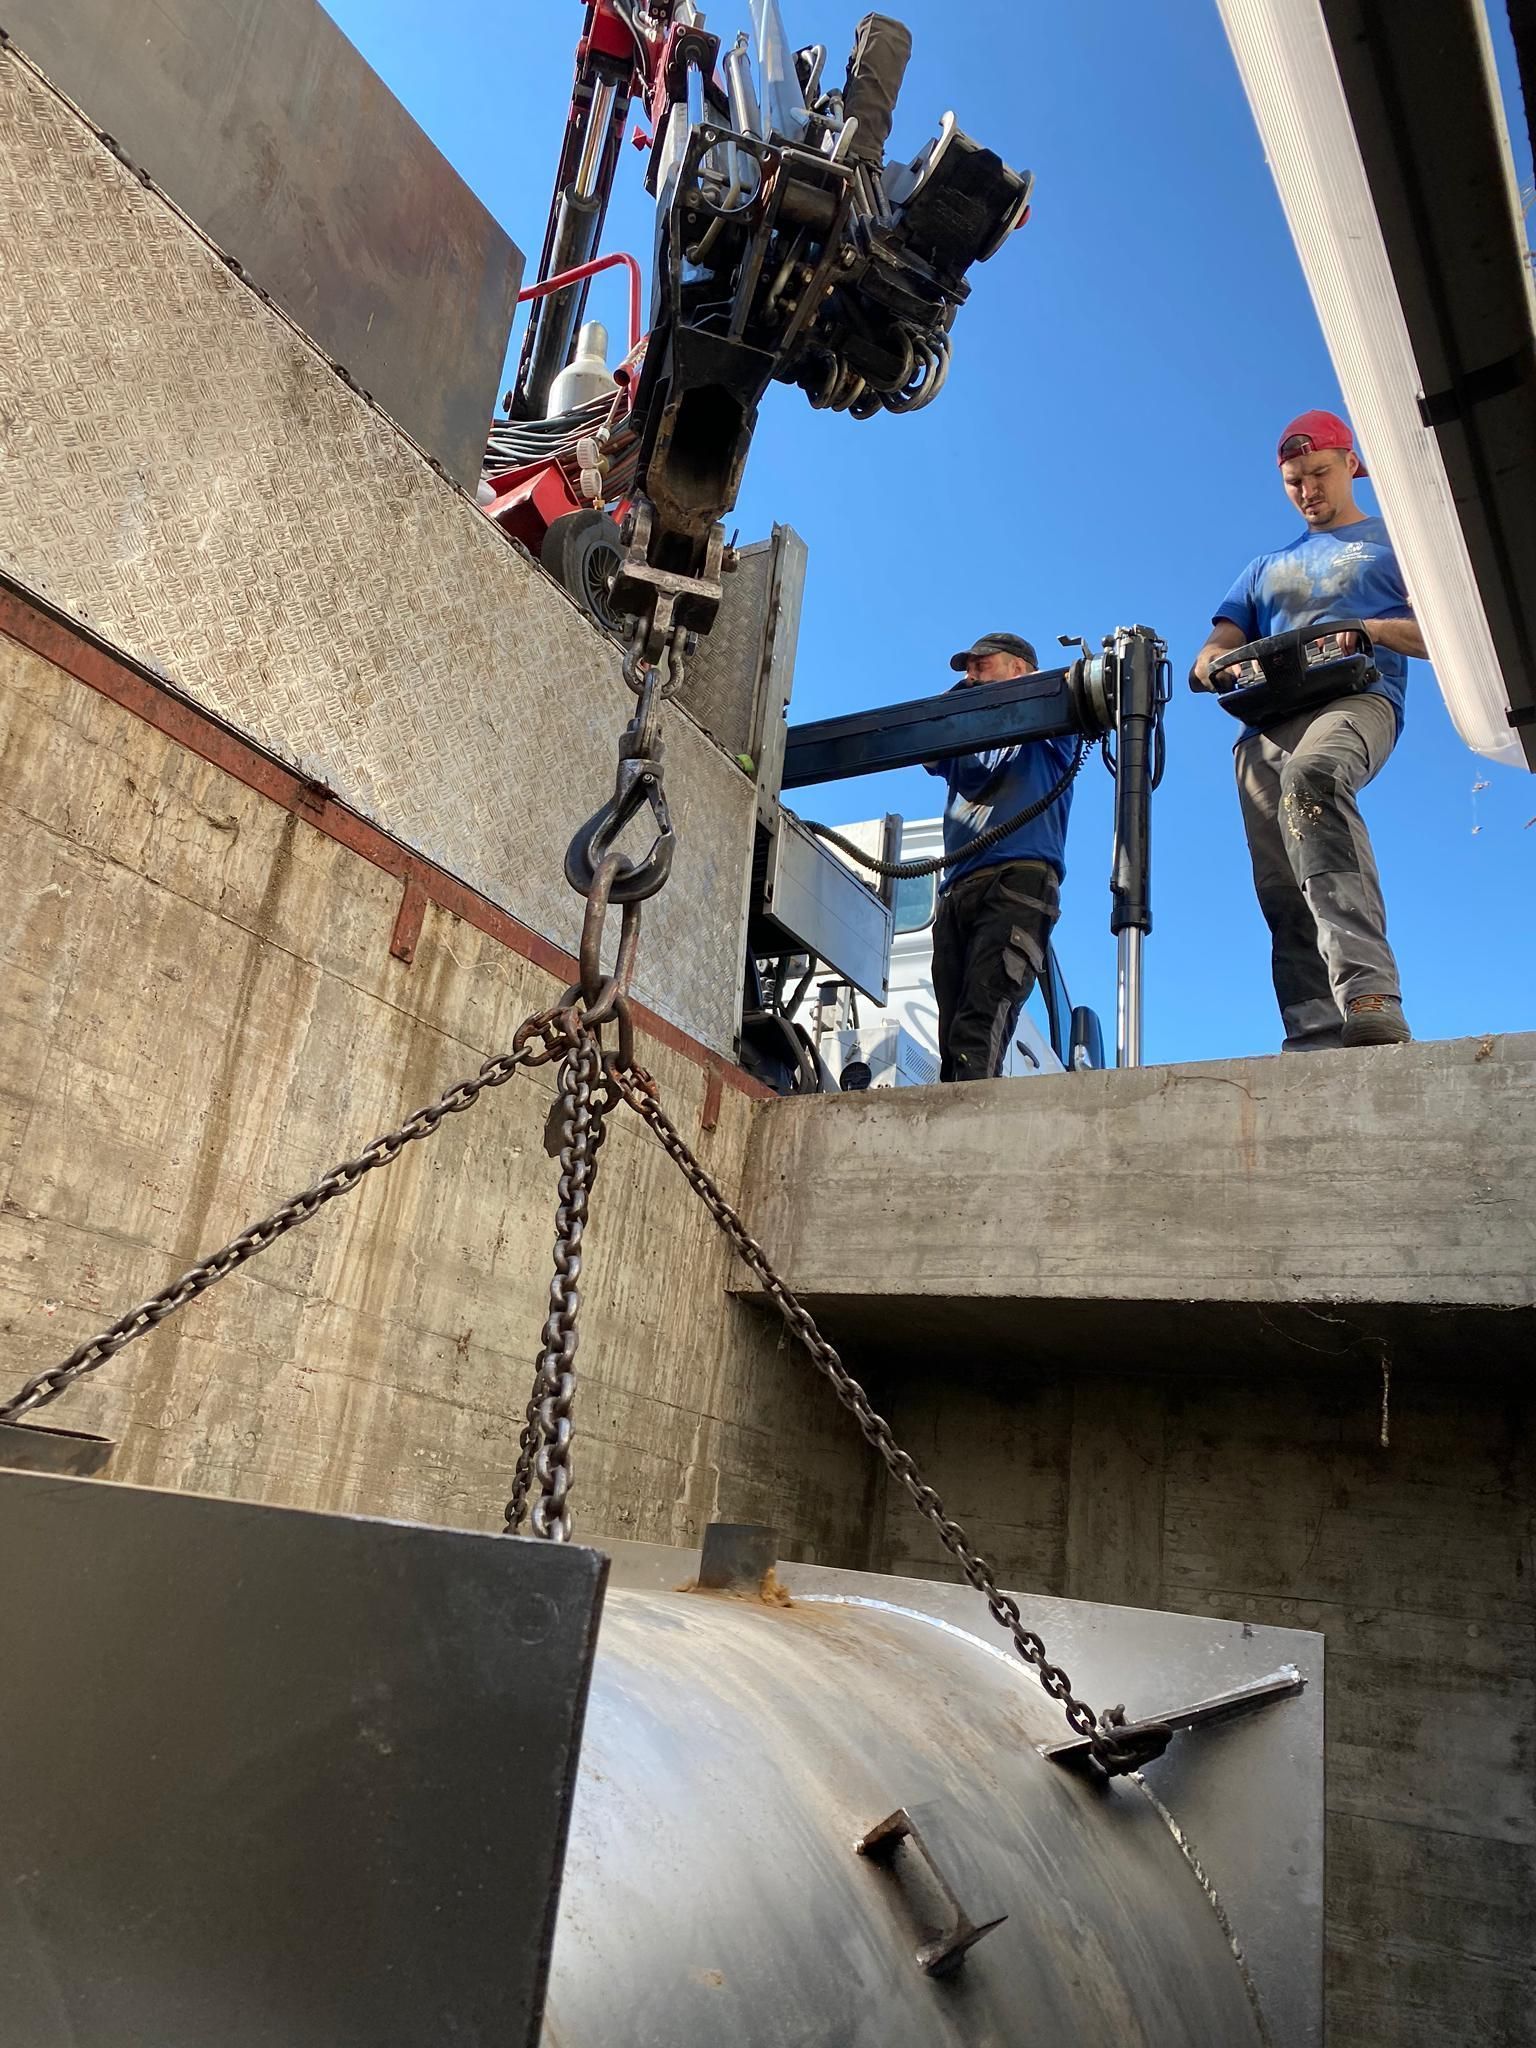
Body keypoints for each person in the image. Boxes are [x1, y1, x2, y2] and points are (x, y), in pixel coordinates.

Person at [1191, 410, 1426, 1050]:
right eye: (1294, 481)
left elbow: (1442, 634)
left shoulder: (1394, 545)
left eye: (1319, 473)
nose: (1308, 490)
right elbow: (1217, 645)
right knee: (1280, 879)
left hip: (1357, 699)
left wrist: (1369, 631)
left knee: (1314, 780)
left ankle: (1370, 993)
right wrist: (1214, 665)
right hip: (1266, 722)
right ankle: (1313, 1028)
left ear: (1351, 463)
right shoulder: (1264, 567)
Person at [923, 632, 1077, 1082]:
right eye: (966, 669)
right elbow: (930, 736)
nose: (971, 676)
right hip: (957, 889)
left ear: (1020, 670)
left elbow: (1069, 693)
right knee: (952, 1031)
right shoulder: (966, 740)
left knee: (980, 1020)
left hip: (1019, 880)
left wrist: (1052, 681)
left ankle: (964, 1127)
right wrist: (967, 691)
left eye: (981, 665)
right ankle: (956, 1113)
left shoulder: (1049, 720)